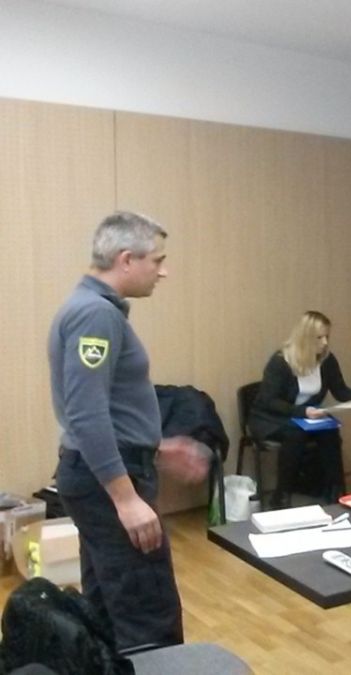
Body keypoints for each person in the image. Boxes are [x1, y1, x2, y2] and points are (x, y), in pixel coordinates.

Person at [47, 212, 183, 652]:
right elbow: (86, 413)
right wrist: (125, 498)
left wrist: (156, 445)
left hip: (101, 472)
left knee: (108, 608)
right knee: (148, 614)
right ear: (126, 259)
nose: (163, 271)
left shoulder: (91, 309)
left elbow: (106, 408)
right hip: (107, 481)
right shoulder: (95, 315)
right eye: (157, 260)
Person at [248, 311, 351, 507]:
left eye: (327, 337)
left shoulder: (327, 360)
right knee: (295, 433)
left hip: (304, 416)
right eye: (319, 338)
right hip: (271, 417)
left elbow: (340, 389)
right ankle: (282, 494)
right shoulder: (281, 361)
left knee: (330, 430)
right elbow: (270, 401)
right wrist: (303, 412)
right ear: (305, 337)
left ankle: (335, 490)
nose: (325, 343)